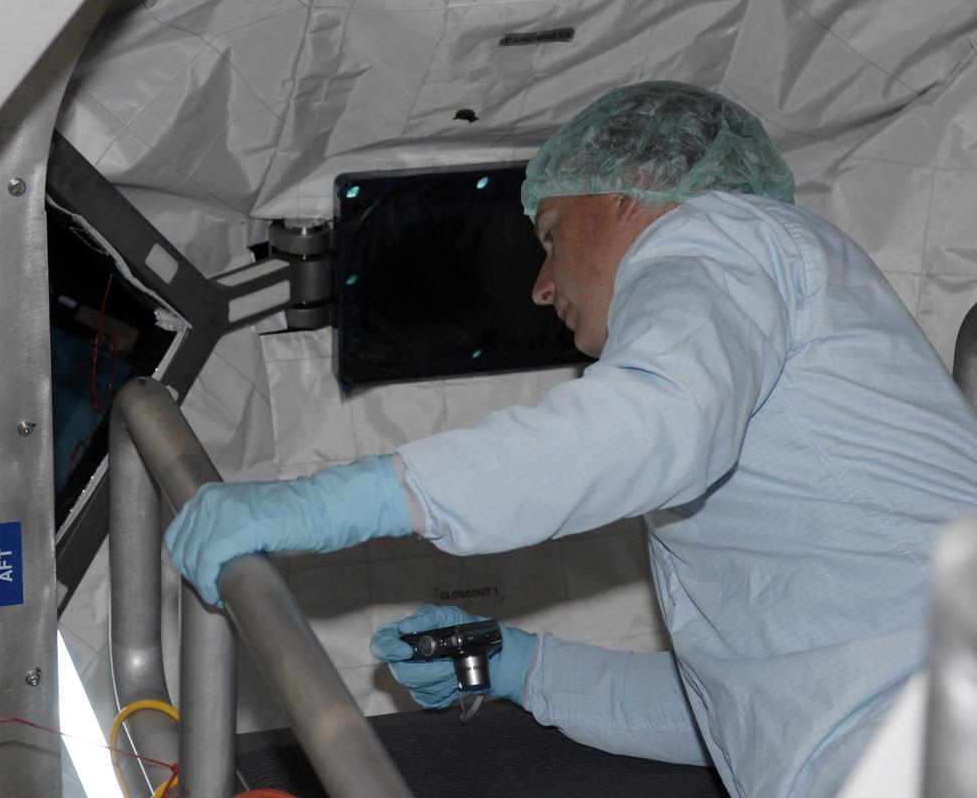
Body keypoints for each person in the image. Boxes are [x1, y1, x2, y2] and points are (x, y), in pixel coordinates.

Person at [163, 81, 977, 797]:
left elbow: (651, 424)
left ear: (639, 190)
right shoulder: (756, 359)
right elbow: (744, 706)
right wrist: (523, 667)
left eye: (550, 234)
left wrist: (339, 500)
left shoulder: (721, 235)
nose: (542, 284)